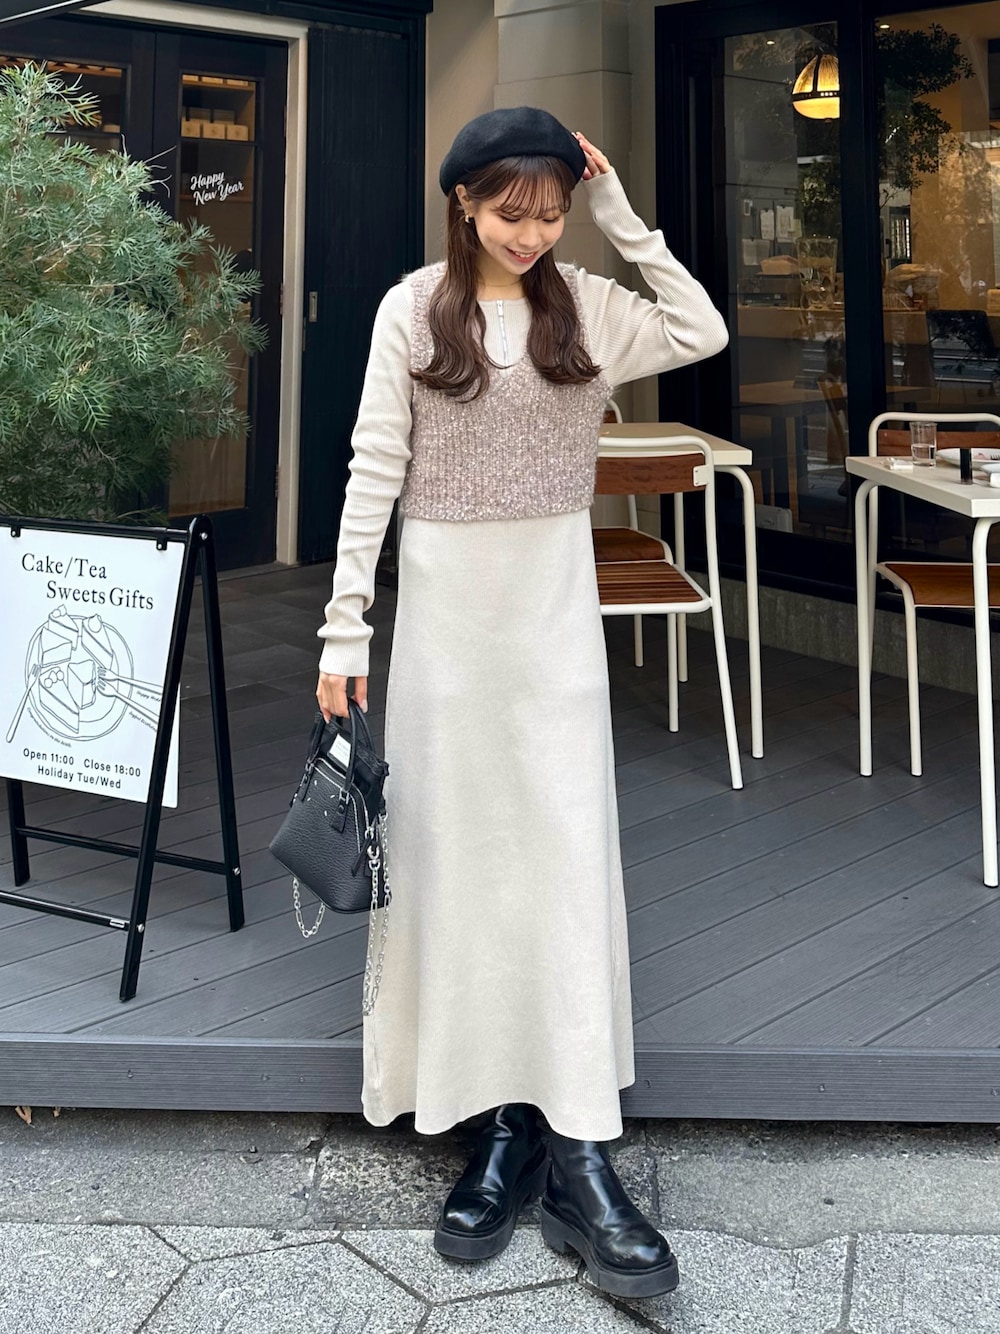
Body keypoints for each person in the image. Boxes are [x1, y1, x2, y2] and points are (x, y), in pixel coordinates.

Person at [315, 106, 727, 1299]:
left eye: (549, 214)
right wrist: (345, 625)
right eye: (510, 212)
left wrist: (619, 212)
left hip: (552, 628)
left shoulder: (586, 304)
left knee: (559, 861)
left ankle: (578, 1141)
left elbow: (699, 328)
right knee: (458, 862)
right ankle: (498, 1125)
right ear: (462, 201)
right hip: (446, 633)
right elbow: (373, 469)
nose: (532, 234)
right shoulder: (411, 309)